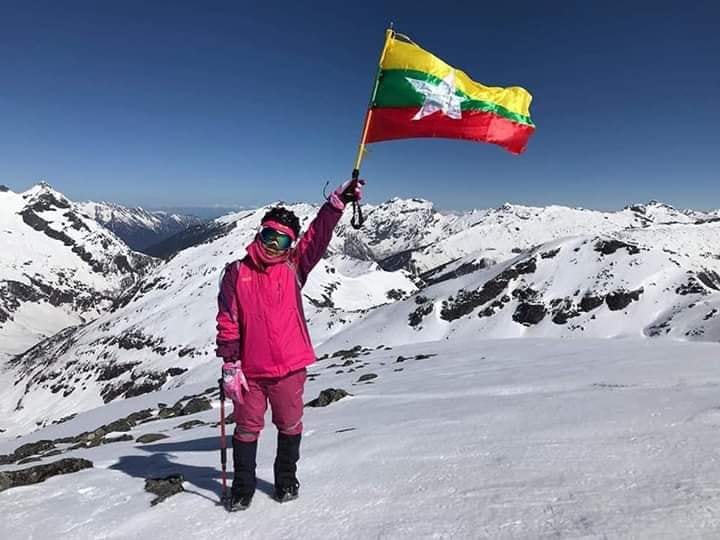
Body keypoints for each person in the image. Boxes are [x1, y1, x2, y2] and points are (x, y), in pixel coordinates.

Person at [215, 178, 364, 511]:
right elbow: (228, 319)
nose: (273, 244)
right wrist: (229, 362)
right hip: (250, 371)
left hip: (288, 368)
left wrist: (336, 205)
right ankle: (242, 487)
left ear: (290, 245)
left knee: (289, 424)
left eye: (282, 239)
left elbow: (317, 237)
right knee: (246, 428)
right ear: (260, 234)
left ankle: (285, 480)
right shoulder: (236, 273)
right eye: (270, 235)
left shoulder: (294, 267)